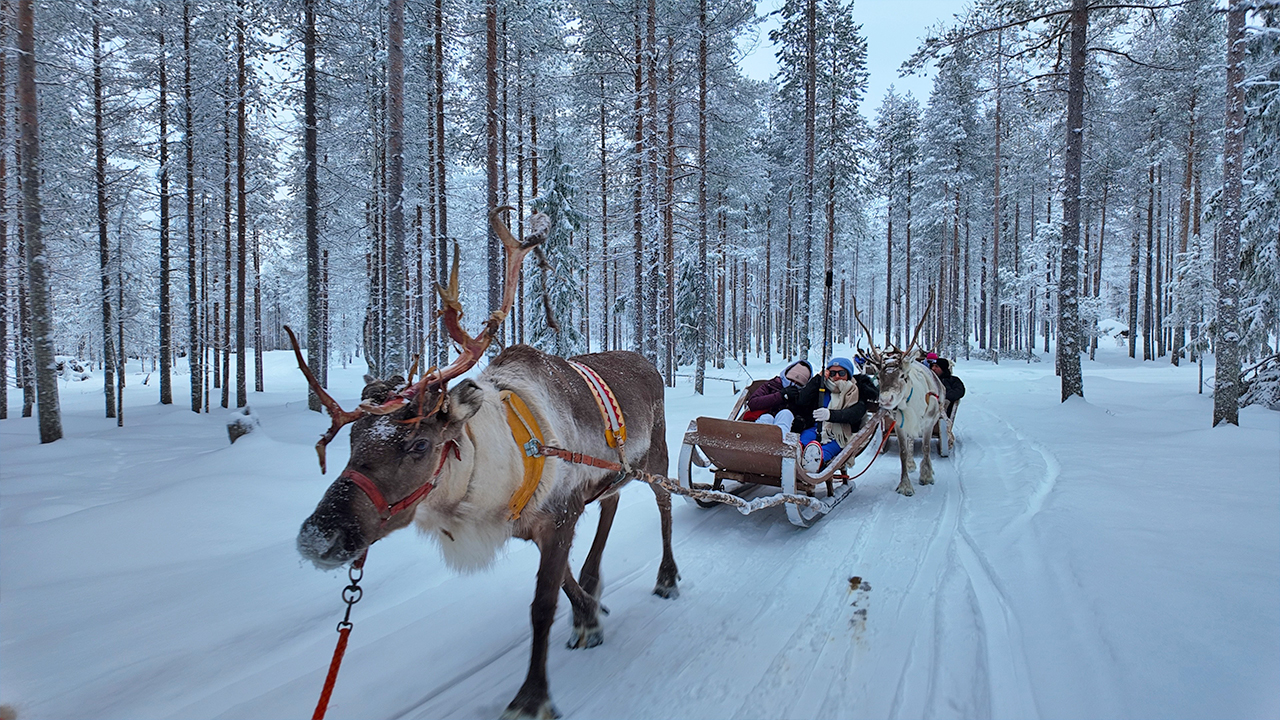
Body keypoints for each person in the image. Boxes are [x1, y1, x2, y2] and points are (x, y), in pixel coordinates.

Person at [796, 357, 879, 473]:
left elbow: (855, 413)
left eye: (841, 373)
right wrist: (817, 380)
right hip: (815, 428)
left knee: (828, 448)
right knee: (804, 440)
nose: (837, 376)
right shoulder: (822, 387)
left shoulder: (855, 391)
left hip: (840, 434)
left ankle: (816, 462)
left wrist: (830, 415)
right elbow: (802, 400)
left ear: (848, 374)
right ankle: (796, 457)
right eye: (833, 373)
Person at [741, 360, 812, 433]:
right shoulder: (772, 385)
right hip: (764, 417)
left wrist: (802, 422)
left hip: (788, 424)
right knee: (767, 418)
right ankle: (756, 440)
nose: (793, 384)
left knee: (786, 414)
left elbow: (809, 414)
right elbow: (753, 402)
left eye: (798, 384)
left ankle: (780, 441)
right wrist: (780, 395)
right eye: (790, 380)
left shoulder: (805, 394)